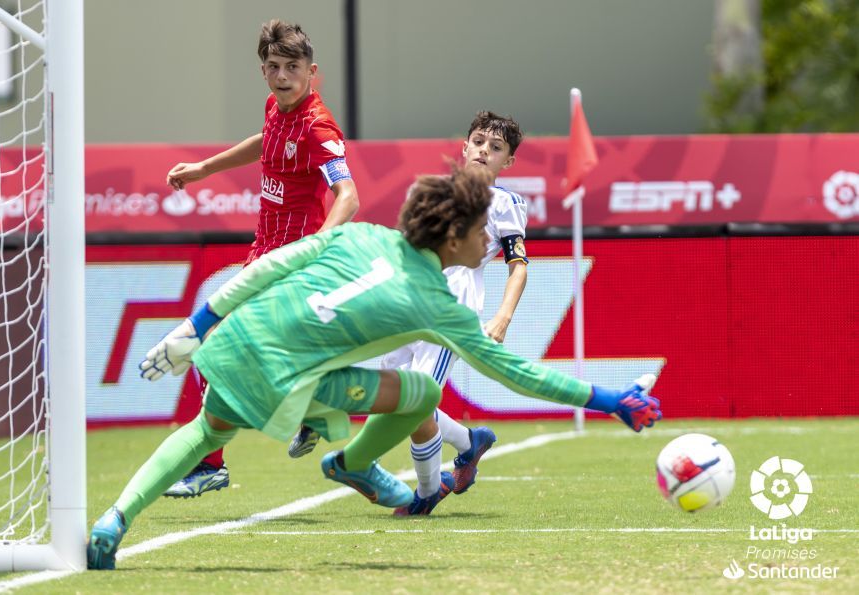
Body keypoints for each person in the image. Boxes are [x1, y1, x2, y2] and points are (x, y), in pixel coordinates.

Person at [86, 167, 661, 570]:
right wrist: (609, 400)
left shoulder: (363, 234)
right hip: (291, 381)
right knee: (420, 392)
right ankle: (355, 464)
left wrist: (198, 323)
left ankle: (114, 521)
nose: (489, 239)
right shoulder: (440, 305)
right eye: (482, 229)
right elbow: (518, 374)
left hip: (238, 339)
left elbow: (273, 265)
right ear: (455, 236)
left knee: (204, 434)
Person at [288, 111, 529, 516]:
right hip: (405, 304)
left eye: (497, 147)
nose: (485, 150)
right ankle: (470, 443)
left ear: (509, 162)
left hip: (450, 314)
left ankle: (427, 492)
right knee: (398, 399)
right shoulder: (434, 192)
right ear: (464, 147)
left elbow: (518, 264)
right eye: (479, 142)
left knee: (413, 403)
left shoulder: (504, 203)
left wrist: (503, 316)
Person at [162, 19, 359, 498]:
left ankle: (212, 463)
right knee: (234, 351)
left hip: (288, 262)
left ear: (312, 72)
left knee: (213, 346)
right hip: (261, 254)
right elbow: (265, 142)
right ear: (264, 72)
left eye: (292, 67)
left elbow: (348, 196)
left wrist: (317, 248)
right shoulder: (276, 109)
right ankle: (314, 410)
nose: (282, 76)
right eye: (273, 67)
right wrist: (205, 167)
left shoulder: (319, 128)